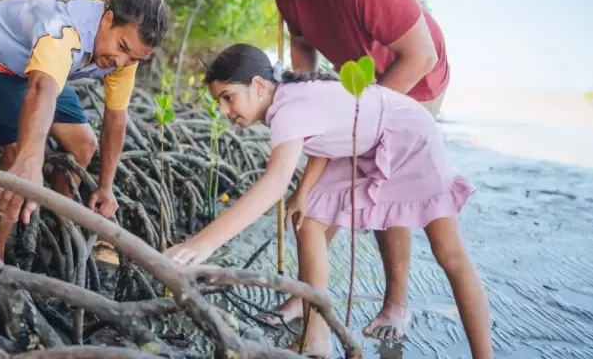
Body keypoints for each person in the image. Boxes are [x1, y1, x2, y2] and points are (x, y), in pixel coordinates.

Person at [164, 44, 492, 358]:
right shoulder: (285, 100)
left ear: (259, 85)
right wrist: (304, 191)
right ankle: (315, 336)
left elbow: (274, 182)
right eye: (219, 101)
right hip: (360, 145)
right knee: (309, 223)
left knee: (449, 255)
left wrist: (203, 244)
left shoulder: (288, 110)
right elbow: (326, 140)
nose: (223, 110)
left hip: (408, 137)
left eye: (227, 97)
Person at [228, 0, 451, 338]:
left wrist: (363, 118)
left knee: (384, 182)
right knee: (321, 186)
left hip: (417, 79)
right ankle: (305, 295)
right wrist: (305, 104)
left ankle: (395, 305)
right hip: (357, 83)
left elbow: (421, 56)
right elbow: (302, 47)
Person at [0, 0, 170, 260]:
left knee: (83, 145)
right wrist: (31, 160)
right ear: (108, 19)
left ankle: (55, 217)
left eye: (134, 59)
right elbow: (40, 89)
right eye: (122, 48)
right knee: (16, 158)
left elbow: (115, 118)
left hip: (42, 67)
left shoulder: (128, 52)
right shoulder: (63, 31)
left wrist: (106, 187)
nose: (121, 63)